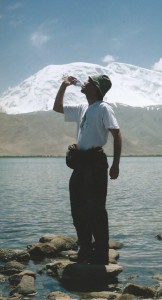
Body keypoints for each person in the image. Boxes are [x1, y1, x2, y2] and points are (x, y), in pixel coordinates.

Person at [53, 74, 122, 265]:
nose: (84, 83)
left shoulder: (103, 108)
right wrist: (64, 86)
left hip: (96, 162)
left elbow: (117, 134)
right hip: (81, 163)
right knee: (78, 209)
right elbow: (57, 108)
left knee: (96, 210)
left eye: (89, 82)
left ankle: (101, 254)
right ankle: (84, 249)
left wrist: (116, 164)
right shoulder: (84, 107)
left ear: (96, 88)